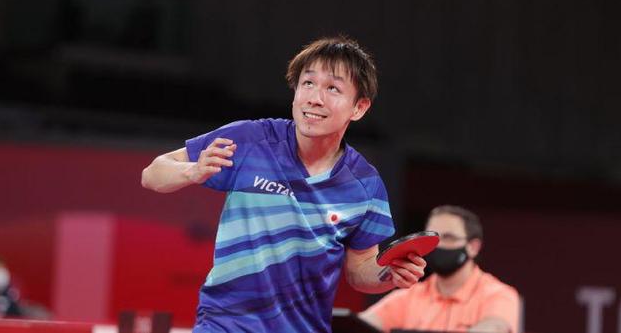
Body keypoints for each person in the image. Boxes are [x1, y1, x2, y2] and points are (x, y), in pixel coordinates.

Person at [141, 36, 426, 333]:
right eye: (308, 83)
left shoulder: (365, 183)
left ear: (359, 107)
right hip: (224, 324)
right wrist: (193, 170)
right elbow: (152, 174)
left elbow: (360, 271)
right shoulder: (250, 140)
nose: (315, 98)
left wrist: (390, 274)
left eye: (333, 88)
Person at [359, 205, 520, 333]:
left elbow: (495, 327)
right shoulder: (409, 296)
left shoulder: (498, 294)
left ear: (473, 247)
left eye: (449, 237)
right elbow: (358, 325)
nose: (439, 245)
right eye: (433, 238)